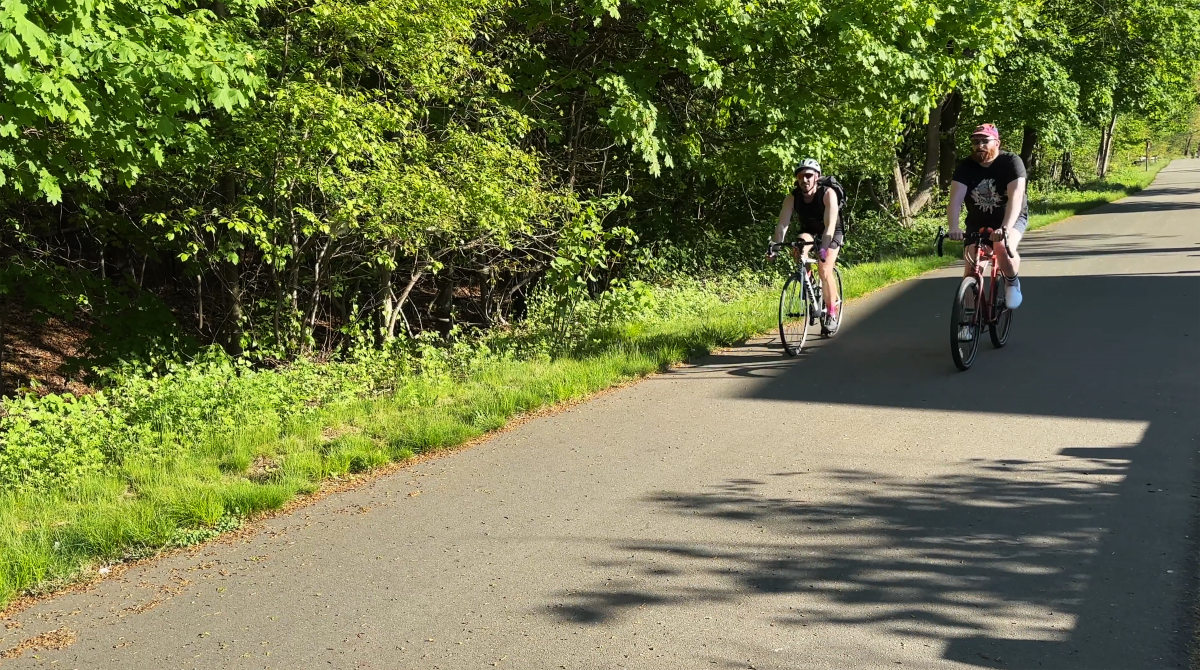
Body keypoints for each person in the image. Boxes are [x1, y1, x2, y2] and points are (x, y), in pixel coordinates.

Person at [947, 123, 1026, 340]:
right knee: (972, 265)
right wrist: (954, 227)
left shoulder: (1011, 162)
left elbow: (1016, 198)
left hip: (1010, 217)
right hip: (978, 220)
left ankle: (1011, 282)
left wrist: (1006, 229)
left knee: (1002, 247)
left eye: (984, 141)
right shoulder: (965, 166)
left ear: (997, 143)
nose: (979, 145)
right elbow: (955, 201)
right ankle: (967, 322)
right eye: (975, 142)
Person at [769, 158, 844, 334]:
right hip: (809, 231)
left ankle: (831, 313)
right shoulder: (792, 198)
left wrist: (823, 250)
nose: (805, 180)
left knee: (825, 269)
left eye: (809, 175)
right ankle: (809, 285)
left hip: (831, 232)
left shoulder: (827, 193)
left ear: (816, 177)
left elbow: (830, 226)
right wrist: (775, 247)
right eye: (801, 176)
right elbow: (782, 226)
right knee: (798, 246)